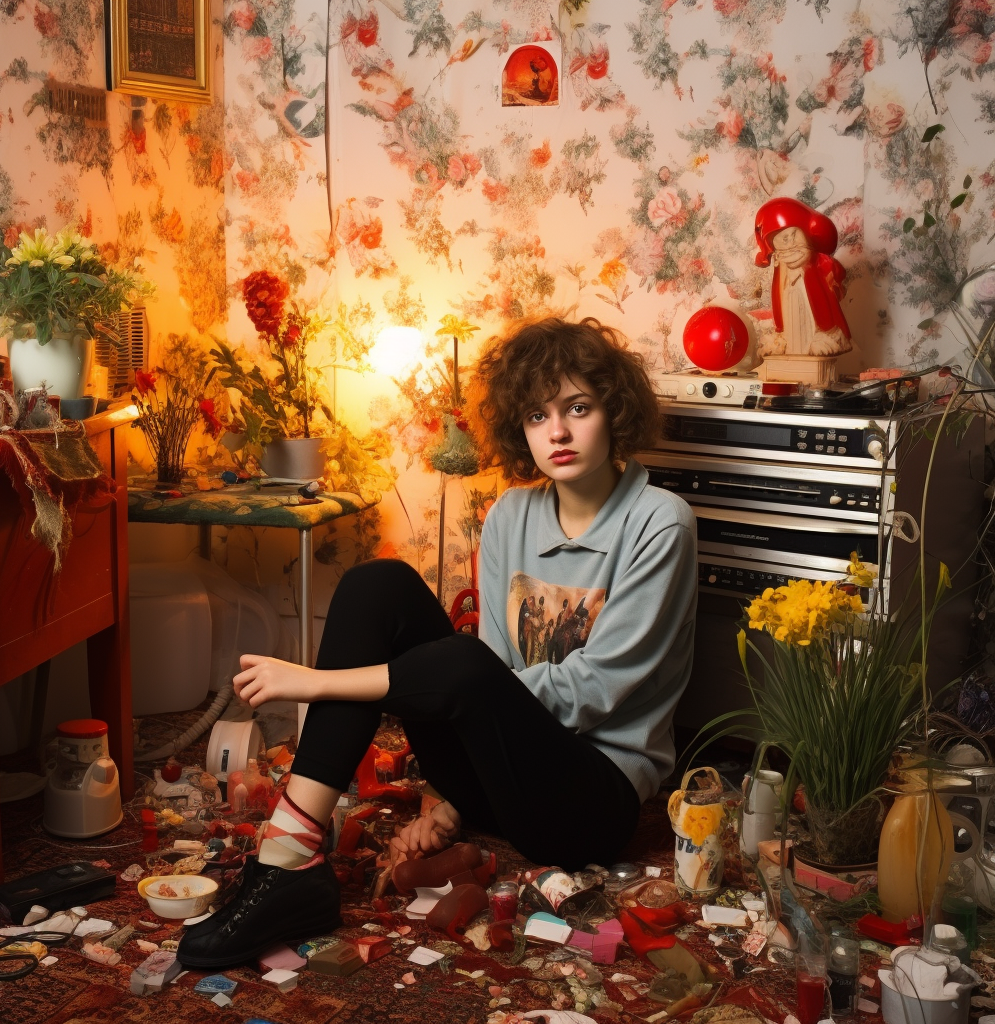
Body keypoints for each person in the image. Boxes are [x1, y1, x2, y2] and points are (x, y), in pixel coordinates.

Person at [177, 316, 698, 970]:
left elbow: (589, 692)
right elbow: (494, 678)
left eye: (578, 409)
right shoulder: (512, 514)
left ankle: (297, 803)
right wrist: (453, 789)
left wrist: (319, 682)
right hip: (498, 782)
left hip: (587, 807)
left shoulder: (660, 524)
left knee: (463, 662)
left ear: (613, 412)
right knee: (379, 584)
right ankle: (289, 858)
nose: (557, 432)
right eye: (537, 416)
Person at [754, 196, 852, 358]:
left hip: (816, 322)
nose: (788, 241)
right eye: (779, 237)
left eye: (793, 233)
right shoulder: (780, 266)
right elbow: (777, 298)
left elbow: (834, 275)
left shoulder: (817, 262)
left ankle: (817, 339)